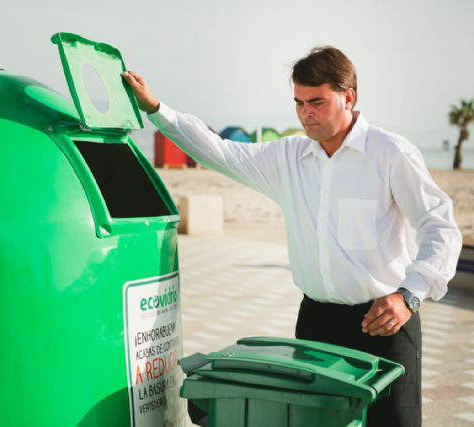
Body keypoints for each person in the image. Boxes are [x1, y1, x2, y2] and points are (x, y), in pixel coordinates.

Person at [122, 46, 462, 426]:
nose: (306, 113)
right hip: (316, 324)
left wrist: (409, 294)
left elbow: (440, 226)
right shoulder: (287, 158)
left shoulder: (391, 153)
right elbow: (220, 151)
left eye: (316, 102)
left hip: (385, 322)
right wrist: (156, 110)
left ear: (348, 97)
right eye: (299, 103)